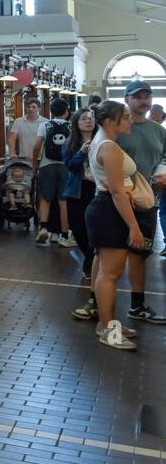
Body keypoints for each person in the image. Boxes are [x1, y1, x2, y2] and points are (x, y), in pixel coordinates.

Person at [86, 101, 145, 349]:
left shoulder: (101, 141)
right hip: (110, 211)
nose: (130, 121)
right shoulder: (108, 147)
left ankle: (107, 324)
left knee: (106, 272)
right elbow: (117, 193)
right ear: (110, 121)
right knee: (110, 274)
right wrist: (134, 227)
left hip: (106, 208)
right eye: (126, 117)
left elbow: (106, 182)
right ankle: (108, 330)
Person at [112, 80, 166, 320]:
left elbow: (164, 157)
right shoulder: (117, 129)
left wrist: (163, 173)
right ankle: (96, 300)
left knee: (140, 254)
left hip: (146, 201)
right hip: (116, 201)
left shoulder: (158, 131)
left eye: (147, 96)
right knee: (106, 254)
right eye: (138, 97)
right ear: (127, 100)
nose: (144, 101)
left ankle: (137, 305)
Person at [66, 108, 100, 319]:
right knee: (78, 229)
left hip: (96, 191)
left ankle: (90, 265)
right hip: (76, 191)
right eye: (84, 119)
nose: (88, 122)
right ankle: (90, 260)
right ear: (77, 123)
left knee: (93, 231)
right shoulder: (71, 143)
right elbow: (69, 165)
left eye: (91, 119)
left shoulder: (102, 141)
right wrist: (81, 152)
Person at [32, 97, 77, 247]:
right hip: (66, 166)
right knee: (63, 202)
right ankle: (64, 235)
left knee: (45, 198)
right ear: (67, 111)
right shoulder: (72, 126)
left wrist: (35, 164)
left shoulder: (45, 125)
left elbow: (37, 146)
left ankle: (43, 228)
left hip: (46, 165)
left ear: (51, 111)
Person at [9, 98, 44, 162]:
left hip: (41, 160)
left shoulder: (45, 122)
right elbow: (12, 138)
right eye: (28, 107)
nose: (31, 109)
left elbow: (46, 143)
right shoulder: (18, 121)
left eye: (34, 107)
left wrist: (35, 155)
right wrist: (12, 153)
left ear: (39, 108)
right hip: (23, 159)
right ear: (26, 108)